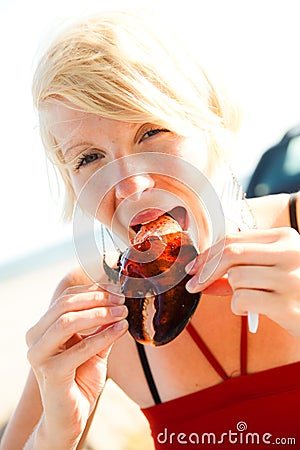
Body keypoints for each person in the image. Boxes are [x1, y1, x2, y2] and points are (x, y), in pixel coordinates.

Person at [1, 9, 300, 450]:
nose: (130, 185)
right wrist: (55, 435)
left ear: (211, 120)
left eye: (151, 132)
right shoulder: (91, 314)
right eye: (88, 158)